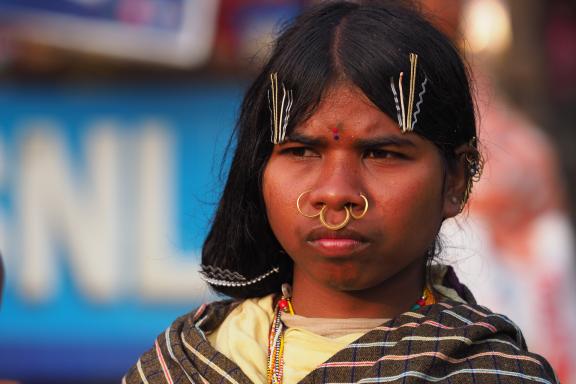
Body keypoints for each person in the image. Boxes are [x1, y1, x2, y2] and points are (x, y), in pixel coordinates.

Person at [124, 1, 558, 383]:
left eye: (382, 154)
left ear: (457, 180)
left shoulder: (491, 372)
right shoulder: (185, 364)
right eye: (300, 151)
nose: (335, 194)